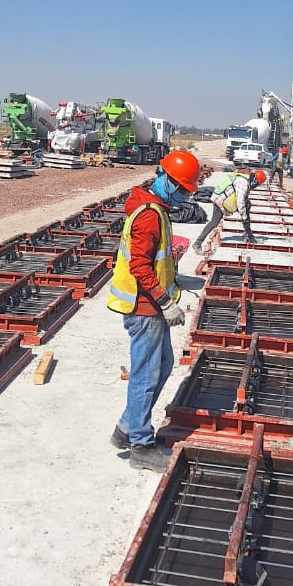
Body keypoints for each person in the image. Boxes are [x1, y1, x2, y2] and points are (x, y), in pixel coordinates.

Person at [108, 150, 201, 472]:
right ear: (168, 182)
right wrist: (165, 302)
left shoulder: (156, 209)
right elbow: (140, 267)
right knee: (146, 374)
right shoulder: (149, 215)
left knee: (162, 365)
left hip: (150, 306)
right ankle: (141, 446)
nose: (185, 196)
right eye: (183, 189)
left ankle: (126, 427)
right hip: (144, 307)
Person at [192, 168, 264, 254]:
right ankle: (197, 243)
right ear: (255, 181)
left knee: (247, 204)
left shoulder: (245, 178)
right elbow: (240, 201)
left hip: (223, 197)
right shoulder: (243, 182)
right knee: (214, 222)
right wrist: (244, 217)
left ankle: (249, 236)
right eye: (257, 184)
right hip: (220, 200)